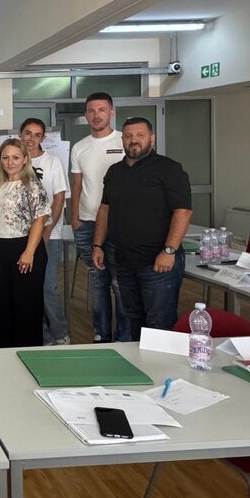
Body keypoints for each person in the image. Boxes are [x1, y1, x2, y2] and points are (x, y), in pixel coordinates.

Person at [92, 117, 192, 338]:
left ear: (151, 138)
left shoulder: (169, 169)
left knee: (159, 323)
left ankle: (159, 363)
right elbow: (105, 209)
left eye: (140, 135)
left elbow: (183, 211)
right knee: (132, 319)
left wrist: (169, 250)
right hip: (124, 261)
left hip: (157, 263)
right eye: (128, 136)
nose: (133, 140)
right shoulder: (115, 172)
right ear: (122, 140)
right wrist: (97, 245)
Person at [70, 92, 131, 343]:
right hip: (87, 223)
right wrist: (74, 219)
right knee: (97, 281)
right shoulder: (79, 147)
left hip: (119, 225)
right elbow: (76, 186)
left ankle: (125, 338)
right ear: (86, 115)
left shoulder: (125, 141)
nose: (96, 115)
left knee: (120, 283)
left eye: (101, 110)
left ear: (111, 112)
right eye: (91, 111)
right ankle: (101, 335)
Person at [0, 138, 50, 348]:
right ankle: (3, 353)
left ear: (24, 159)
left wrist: (29, 252)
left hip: (25, 247)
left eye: (15, 157)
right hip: (0, 249)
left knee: (26, 307)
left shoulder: (32, 185)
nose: (10, 162)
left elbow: (39, 220)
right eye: (5, 157)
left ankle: (28, 354)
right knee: (1, 306)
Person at [20, 118, 71, 345]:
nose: (31, 139)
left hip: (49, 235)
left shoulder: (52, 161)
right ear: (21, 134)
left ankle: (59, 332)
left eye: (37, 135)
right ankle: (42, 336)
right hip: (22, 235)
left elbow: (59, 198)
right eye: (27, 133)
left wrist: (48, 229)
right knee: (30, 289)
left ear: (43, 138)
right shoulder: (15, 160)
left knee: (48, 287)